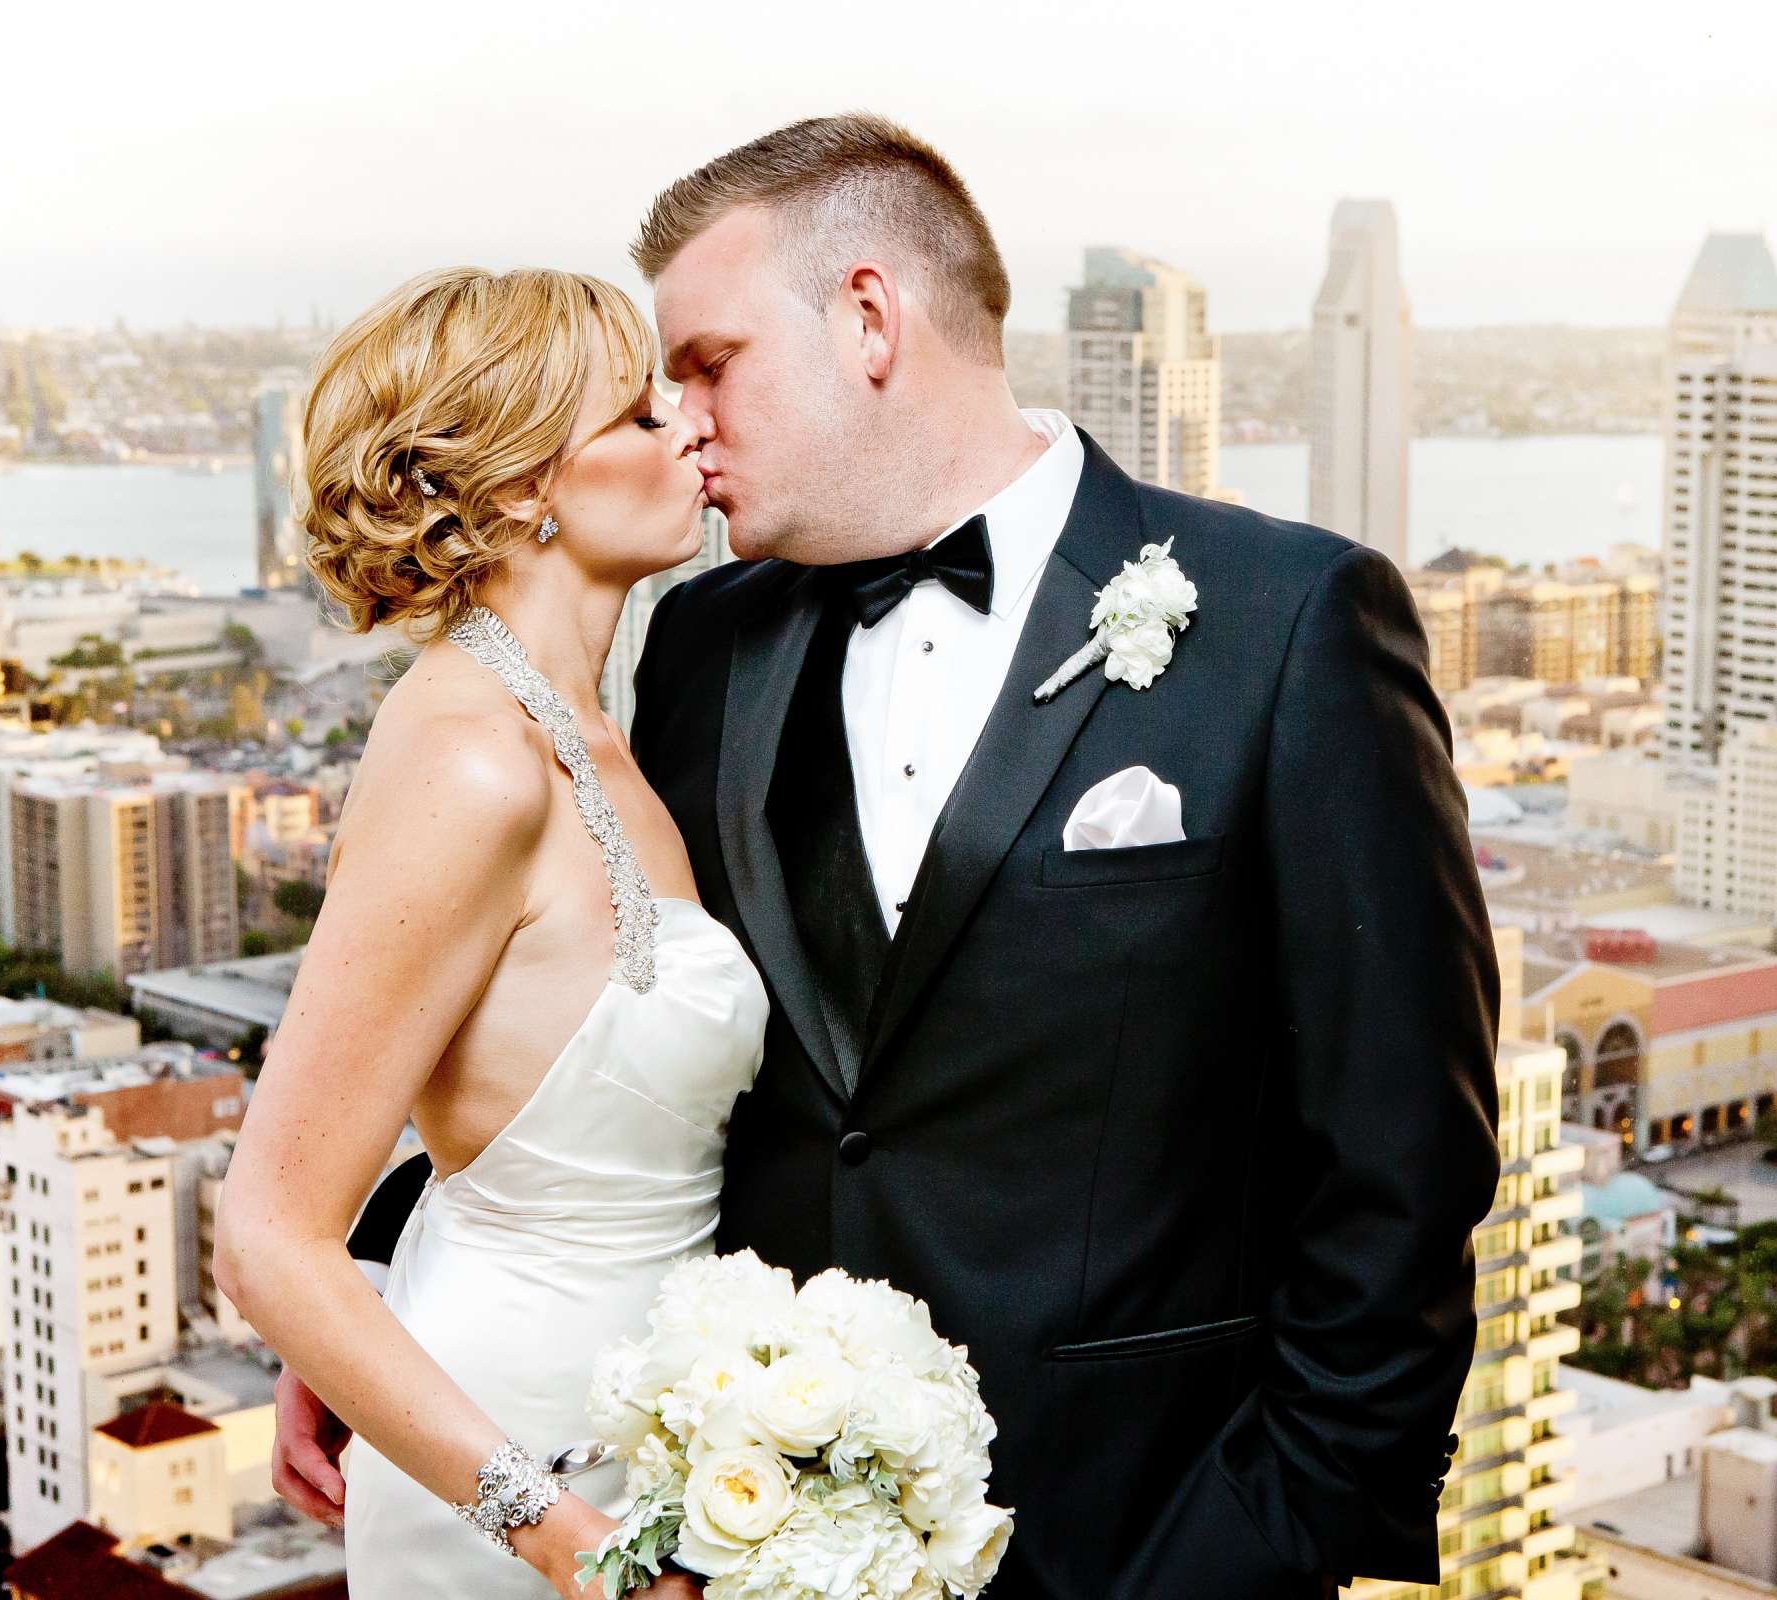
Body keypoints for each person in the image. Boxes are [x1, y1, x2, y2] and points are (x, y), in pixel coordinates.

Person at [278, 115, 1500, 1600]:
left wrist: (1274, 1540)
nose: (689, 420)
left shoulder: (1286, 621)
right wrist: (388, 1312)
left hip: (1144, 1534)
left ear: (867, 318)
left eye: (712, 363)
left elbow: (1403, 1158)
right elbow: (602, 1003)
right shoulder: (706, 648)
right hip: (747, 1538)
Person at [215, 266, 764, 1599]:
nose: (686, 428)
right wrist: (583, 1551)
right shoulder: (474, 759)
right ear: (522, 487)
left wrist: (360, 1325)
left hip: (658, 1441)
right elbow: (265, 1233)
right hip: (535, 1494)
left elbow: (482, 1067)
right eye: (638, 416)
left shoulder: (600, 736)